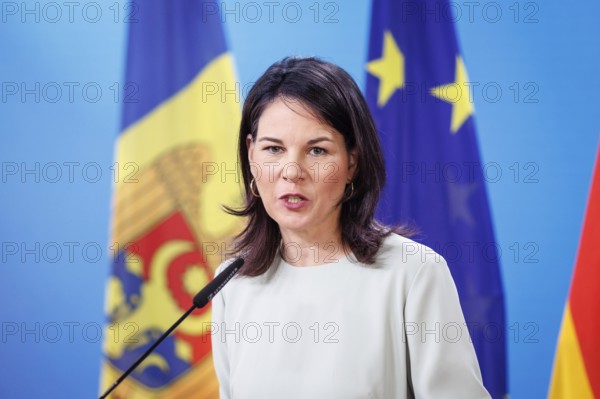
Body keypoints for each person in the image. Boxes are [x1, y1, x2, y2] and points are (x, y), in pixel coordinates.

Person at [211, 56, 491, 399]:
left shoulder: (413, 274)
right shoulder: (232, 283)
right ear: (251, 155)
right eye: (273, 149)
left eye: (317, 150)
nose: (292, 171)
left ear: (351, 163)